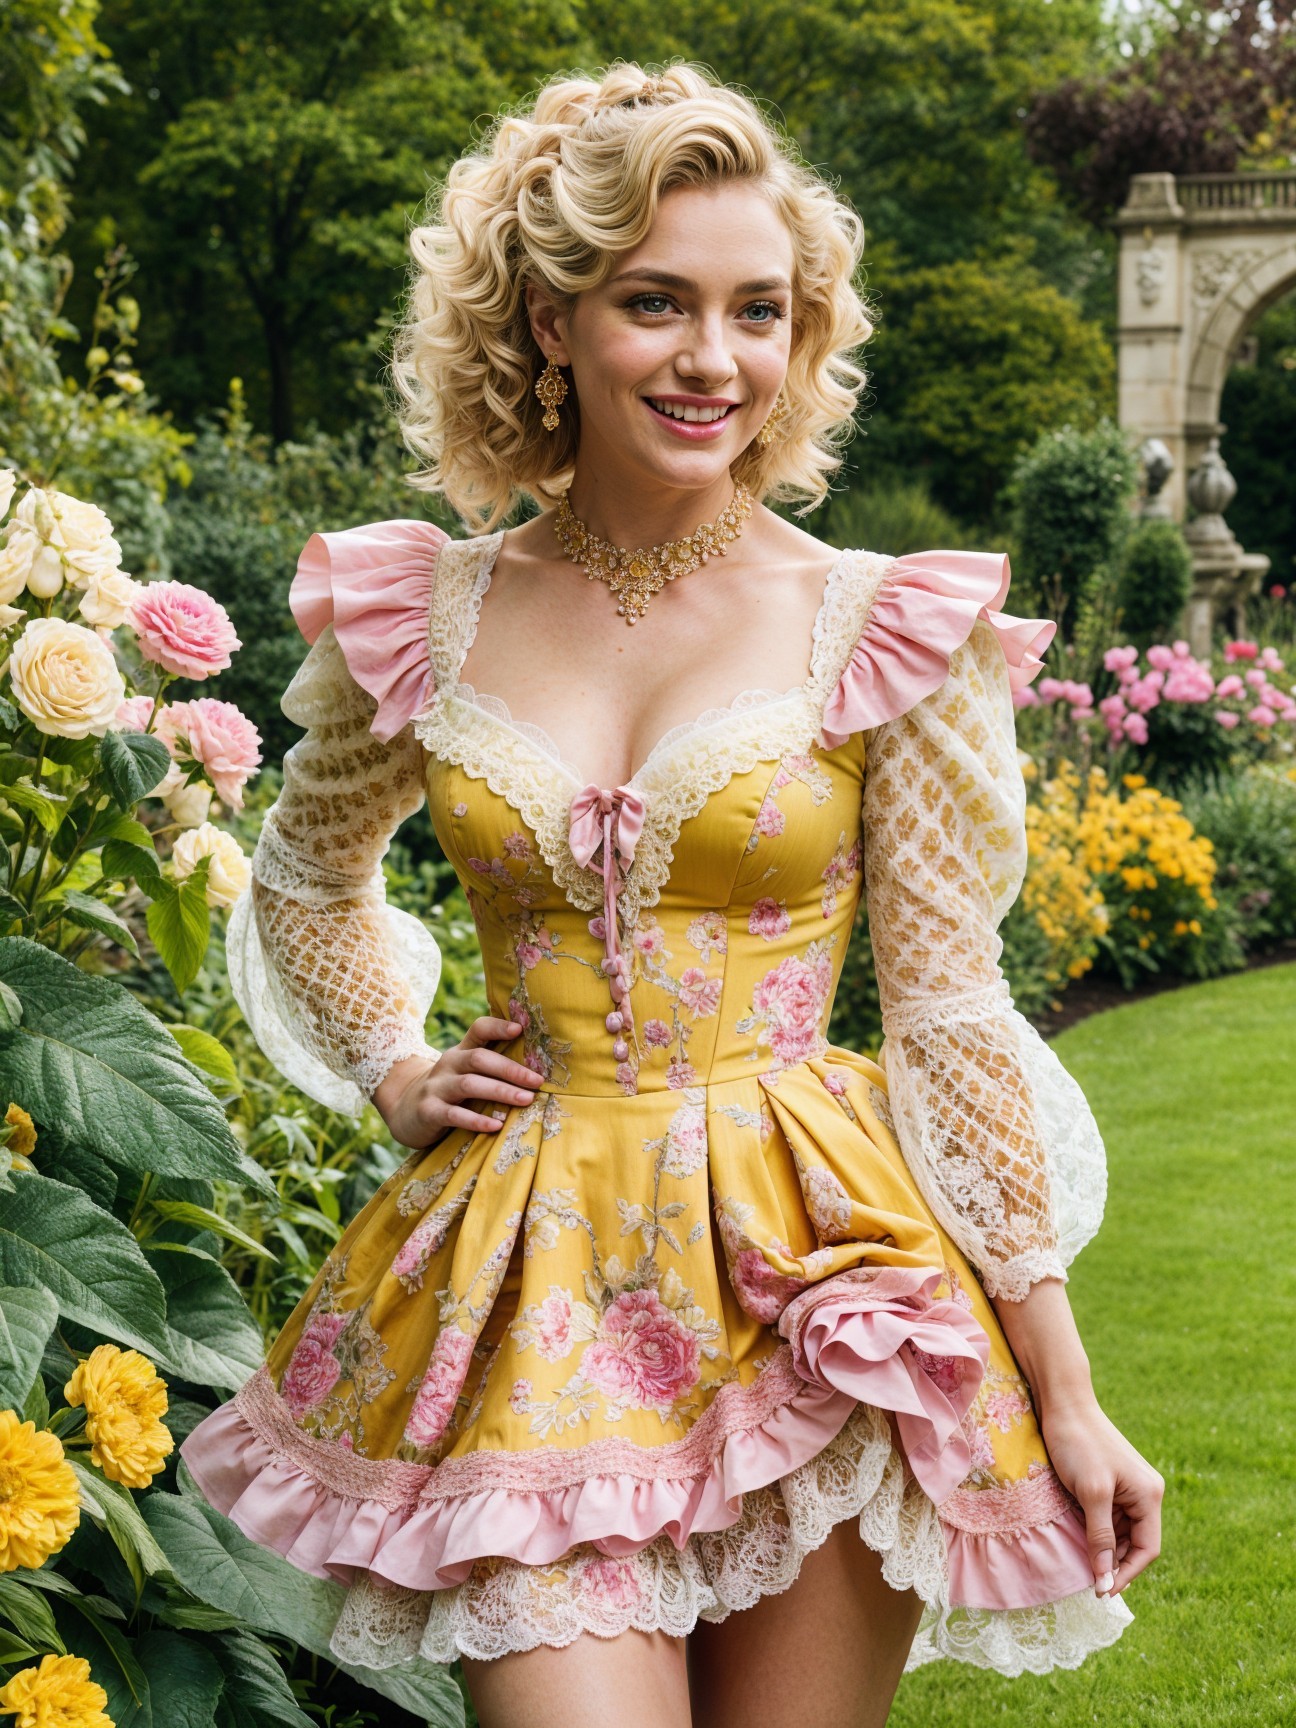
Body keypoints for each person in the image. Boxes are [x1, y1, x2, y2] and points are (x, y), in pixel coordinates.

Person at [181, 60, 1163, 1728]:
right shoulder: (427, 613)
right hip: (532, 1286)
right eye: (658, 303)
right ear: (550, 321)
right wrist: (395, 1070)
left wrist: (1063, 1387)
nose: (716, 359)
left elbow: (948, 1012)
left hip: (823, 1281)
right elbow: (306, 879)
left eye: (757, 311)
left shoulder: (881, 628)